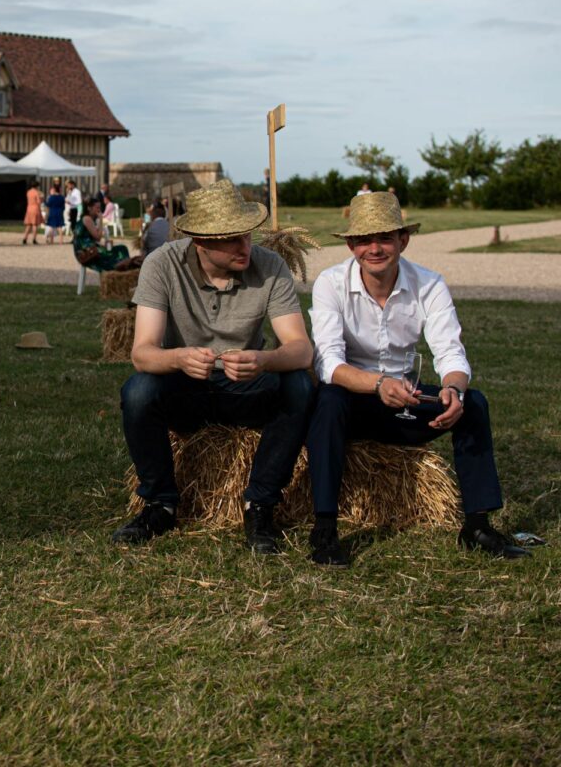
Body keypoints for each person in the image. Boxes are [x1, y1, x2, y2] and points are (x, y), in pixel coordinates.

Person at [304, 191, 527, 566]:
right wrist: (377, 385)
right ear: (351, 245)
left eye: (385, 238)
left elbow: (451, 353)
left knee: (473, 404)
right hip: (354, 401)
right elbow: (327, 363)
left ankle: (477, 526)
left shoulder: (430, 284)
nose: (373, 249)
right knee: (328, 399)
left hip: (404, 401)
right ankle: (324, 530)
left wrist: (454, 390)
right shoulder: (330, 283)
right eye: (363, 240)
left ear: (403, 240)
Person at [115, 179, 315, 554]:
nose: (246, 247)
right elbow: (142, 353)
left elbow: (301, 350)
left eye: (247, 236)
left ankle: (260, 505)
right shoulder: (163, 264)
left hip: (246, 386)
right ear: (202, 242)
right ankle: (160, 504)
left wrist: (264, 360)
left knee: (300, 386)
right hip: (186, 386)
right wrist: (177, 358)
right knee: (137, 391)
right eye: (233, 240)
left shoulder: (270, 267)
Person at [73, 196, 139, 272]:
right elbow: (98, 237)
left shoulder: (89, 219)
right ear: (89, 208)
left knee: (122, 248)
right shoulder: (87, 219)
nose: (99, 210)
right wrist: (101, 220)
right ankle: (122, 269)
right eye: (97, 208)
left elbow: (93, 238)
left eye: (100, 208)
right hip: (87, 253)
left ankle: (124, 269)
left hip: (90, 249)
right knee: (119, 251)